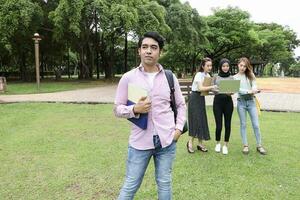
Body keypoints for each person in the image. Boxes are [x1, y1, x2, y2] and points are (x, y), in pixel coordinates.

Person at [114, 32, 186, 200]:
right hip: (140, 142)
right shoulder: (128, 78)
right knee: (131, 184)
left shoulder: (169, 77)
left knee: (165, 183)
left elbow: (181, 105)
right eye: (145, 47)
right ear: (138, 51)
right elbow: (117, 109)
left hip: (167, 141)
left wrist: (178, 129)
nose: (148, 51)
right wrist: (135, 109)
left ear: (160, 52)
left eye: (153, 48)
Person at [233, 57, 267, 155]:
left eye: (244, 66)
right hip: (241, 103)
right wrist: (249, 91)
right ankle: (245, 146)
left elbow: (254, 85)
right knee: (243, 124)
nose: (243, 68)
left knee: (256, 125)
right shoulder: (234, 77)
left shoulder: (250, 75)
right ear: (238, 65)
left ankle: (259, 146)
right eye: (241, 65)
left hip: (251, 102)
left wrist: (254, 89)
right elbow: (238, 90)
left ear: (247, 66)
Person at [187, 57, 217, 153]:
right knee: (195, 120)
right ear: (203, 66)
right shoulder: (199, 75)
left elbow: (208, 89)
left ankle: (200, 144)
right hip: (195, 98)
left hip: (201, 99)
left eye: (211, 65)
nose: (209, 67)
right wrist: (212, 87)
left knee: (201, 120)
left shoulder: (207, 75)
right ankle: (190, 142)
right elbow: (200, 88)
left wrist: (221, 90)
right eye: (207, 65)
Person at [212, 58, 234, 155]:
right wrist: (216, 89)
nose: (225, 68)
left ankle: (225, 145)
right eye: (223, 66)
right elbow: (212, 89)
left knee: (228, 124)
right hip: (217, 102)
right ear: (220, 67)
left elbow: (232, 91)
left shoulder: (231, 78)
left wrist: (231, 92)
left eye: (227, 66)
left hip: (228, 103)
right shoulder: (215, 77)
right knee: (219, 125)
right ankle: (218, 143)